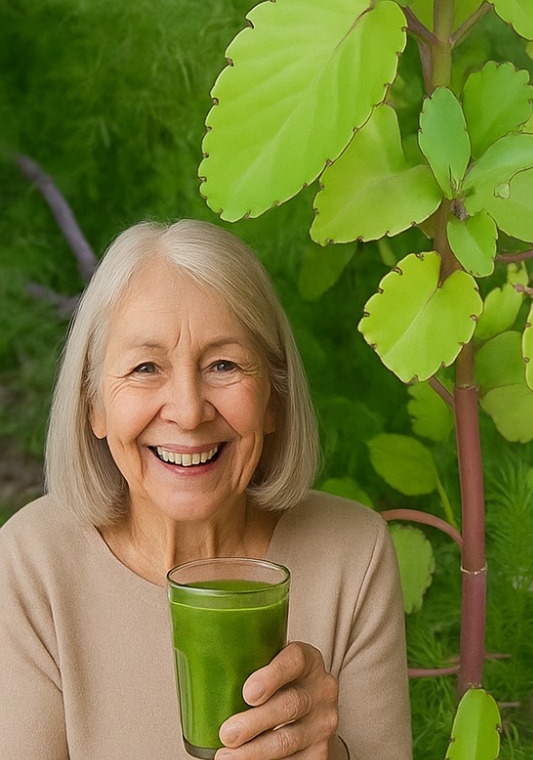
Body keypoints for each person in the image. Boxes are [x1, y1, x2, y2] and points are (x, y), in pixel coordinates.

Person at [0, 220, 412, 759]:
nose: (189, 411)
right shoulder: (31, 563)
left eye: (224, 364)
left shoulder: (352, 553)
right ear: (94, 405)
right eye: (145, 367)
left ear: (273, 399)